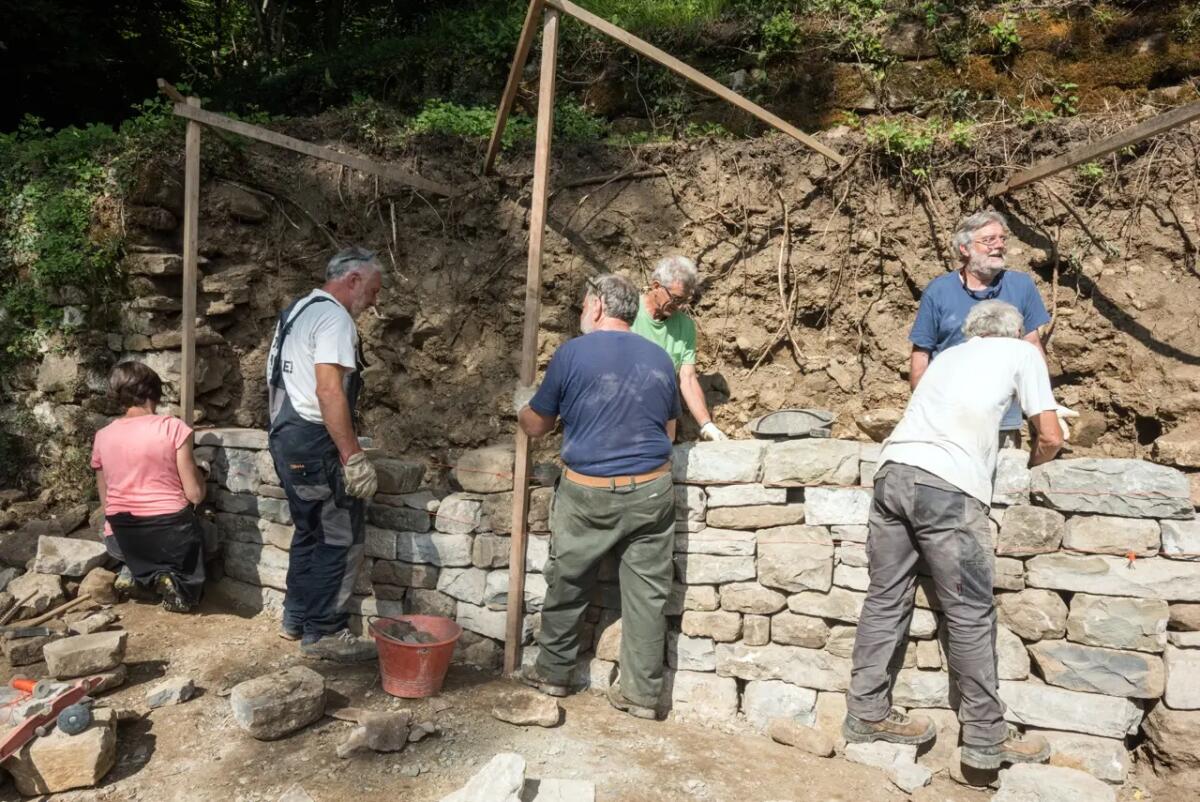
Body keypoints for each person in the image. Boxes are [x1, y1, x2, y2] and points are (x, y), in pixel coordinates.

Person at [844, 300, 1064, 771]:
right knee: (969, 612)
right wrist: (1036, 469)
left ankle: (865, 712)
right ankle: (986, 737)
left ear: (972, 330)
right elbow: (1050, 435)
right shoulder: (1022, 353)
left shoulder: (948, 356)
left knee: (884, 597)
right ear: (1017, 331)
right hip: (948, 487)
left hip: (893, 473)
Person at [513, 274, 679, 719]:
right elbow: (669, 430)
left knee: (567, 580)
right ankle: (642, 696)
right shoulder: (661, 358)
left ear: (599, 306)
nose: (582, 313)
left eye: (585, 305)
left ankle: (554, 673)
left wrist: (521, 404)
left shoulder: (571, 354)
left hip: (588, 492)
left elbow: (536, 426)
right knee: (647, 596)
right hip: (651, 490)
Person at [266, 246, 382, 662]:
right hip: (315, 443)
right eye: (372, 291)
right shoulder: (334, 318)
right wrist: (352, 456)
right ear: (352, 280)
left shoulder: (297, 311)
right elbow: (329, 390)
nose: (373, 301)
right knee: (340, 536)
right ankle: (325, 632)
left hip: (286, 437)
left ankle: (295, 617)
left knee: (309, 530)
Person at [909, 210, 1075, 446]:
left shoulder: (1021, 286)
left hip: (1002, 418)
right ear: (965, 249)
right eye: (989, 240)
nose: (999, 245)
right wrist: (923, 410)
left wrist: (1046, 406)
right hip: (949, 417)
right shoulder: (939, 291)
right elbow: (921, 355)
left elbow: (1033, 346)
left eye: (1002, 238)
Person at [90, 362, 208, 612]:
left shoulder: (103, 435)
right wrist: (202, 477)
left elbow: (106, 501)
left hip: (122, 538)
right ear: (154, 392)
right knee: (204, 530)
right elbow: (194, 494)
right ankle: (175, 585)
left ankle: (136, 572)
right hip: (170, 534)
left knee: (135, 545)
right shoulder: (172, 427)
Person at [632, 255, 726, 441]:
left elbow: (688, 378)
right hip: (625, 408)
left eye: (685, 300)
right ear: (656, 286)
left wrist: (706, 424)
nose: (680, 306)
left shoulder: (685, 326)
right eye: (676, 299)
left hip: (662, 413)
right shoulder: (628, 312)